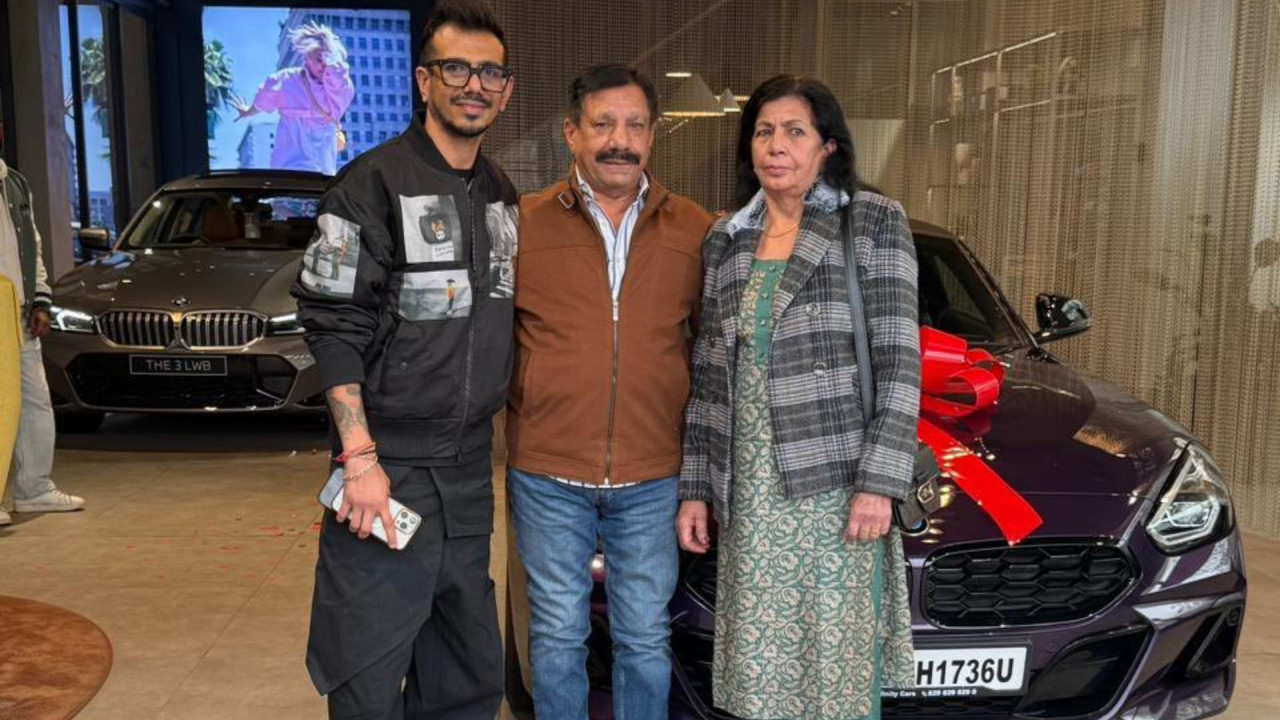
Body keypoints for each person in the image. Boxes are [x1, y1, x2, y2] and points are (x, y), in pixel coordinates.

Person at [291, 2, 517, 717]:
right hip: (385, 472)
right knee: (366, 666)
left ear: (506, 90)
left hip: (468, 472)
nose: (473, 85)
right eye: (456, 68)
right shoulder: (370, 185)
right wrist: (359, 457)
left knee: (465, 670)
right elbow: (333, 324)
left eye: (489, 72)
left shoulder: (501, 195)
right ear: (424, 81)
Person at [676, 75, 918, 720]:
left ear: (827, 147)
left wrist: (879, 485)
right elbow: (709, 375)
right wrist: (696, 488)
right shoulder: (727, 239)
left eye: (794, 131)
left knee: (832, 669)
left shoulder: (871, 221)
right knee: (759, 667)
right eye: (763, 131)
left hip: (836, 491)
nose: (775, 145)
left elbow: (899, 361)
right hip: (749, 493)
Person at [506, 64, 713, 720]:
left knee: (644, 639)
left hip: (653, 476)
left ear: (652, 135)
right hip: (547, 472)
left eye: (634, 126)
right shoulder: (523, 224)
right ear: (572, 133)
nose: (619, 141)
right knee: (557, 635)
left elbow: (710, 352)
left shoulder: (694, 230)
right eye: (603, 125)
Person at [0, 123, 86, 527]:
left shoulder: (15, 184)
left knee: (35, 400)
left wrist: (40, 300)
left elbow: (31, 248)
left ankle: (33, 488)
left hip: (18, 312)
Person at [234, 21, 355, 175]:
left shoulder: (335, 91)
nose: (324, 65)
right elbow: (263, 100)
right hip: (290, 167)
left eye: (327, 59)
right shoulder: (287, 79)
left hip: (322, 174)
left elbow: (340, 79)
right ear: (307, 58)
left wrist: (332, 54)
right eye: (318, 59)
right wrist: (247, 111)